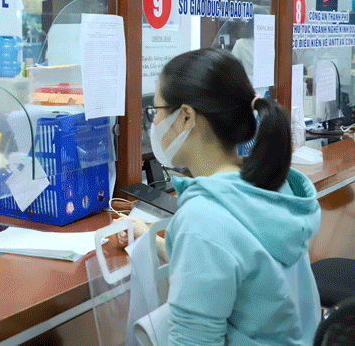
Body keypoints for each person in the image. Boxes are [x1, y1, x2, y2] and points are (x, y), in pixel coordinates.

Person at [118, 48, 322, 345]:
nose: (154, 123)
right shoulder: (270, 184)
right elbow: (228, 266)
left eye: (157, 111)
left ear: (186, 117)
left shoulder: (204, 218)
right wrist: (148, 237)